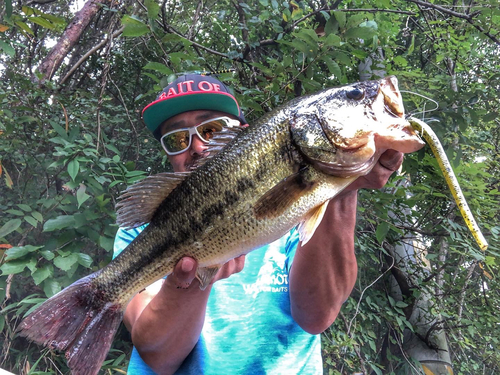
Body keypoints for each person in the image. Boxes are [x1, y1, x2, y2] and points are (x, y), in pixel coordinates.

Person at [113, 74, 404, 374]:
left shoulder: (296, 213)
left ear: (242, 135)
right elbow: (158, 355)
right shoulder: (140, 232)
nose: (198, 146)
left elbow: (316, 315)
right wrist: (196, 276)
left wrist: (346, 186)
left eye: (212, 129)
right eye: (177, 139)